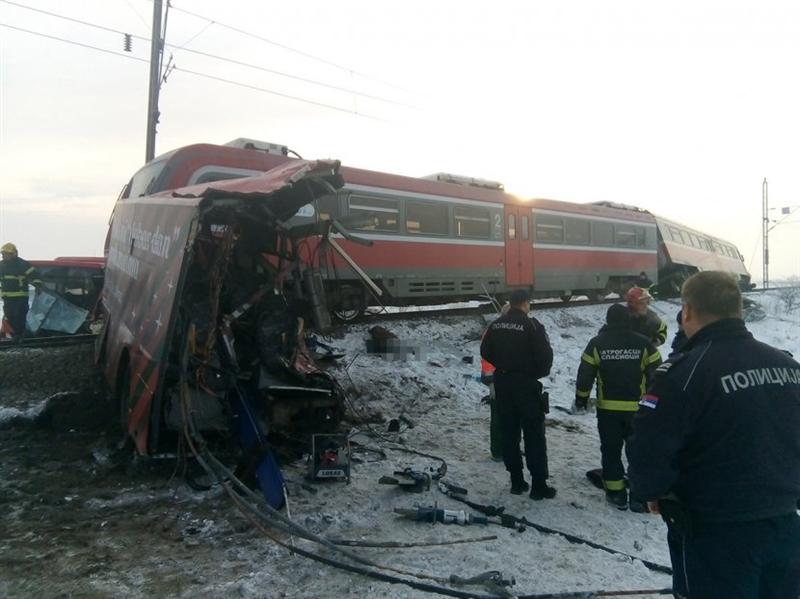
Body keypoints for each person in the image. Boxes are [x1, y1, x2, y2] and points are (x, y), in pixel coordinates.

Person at [627, 271, 800, 599]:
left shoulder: (684, 373)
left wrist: (652, 490)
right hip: (785, 525)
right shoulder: (788, 367)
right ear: (739, 308)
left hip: (716, 532)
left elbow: (648, 445)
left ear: (687, 311)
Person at [575, 304, 662, 511]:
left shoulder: (597, 343)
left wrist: (581, 399)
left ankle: (616, 494)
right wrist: (653, 405)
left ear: (608, 321)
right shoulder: (644, 344)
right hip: (638, 411)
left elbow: (585, 374)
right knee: (639, 453)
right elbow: (658, 377)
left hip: (608, 411)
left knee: (611, 450)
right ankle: (639, 498)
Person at [480, 288, 555, 499]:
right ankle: (539, 485)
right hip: (526, 386)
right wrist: (534, 373)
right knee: (534, 434)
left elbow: (485, 351)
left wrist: (503, 366)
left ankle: (516, 481)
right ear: (525, 304)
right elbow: (545, 356)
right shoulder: (532, 325)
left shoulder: (496, 324)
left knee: (509, 433)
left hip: (503, 384)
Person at [0, 242, 42, 341]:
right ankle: (10, 335)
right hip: (7, 296)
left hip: (21, 296)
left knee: (19, 315)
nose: (5, 256)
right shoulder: (1, 265)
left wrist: (38, 285)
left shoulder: (23, 264)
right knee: (9, 315)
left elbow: (35, 275)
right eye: (4, 254)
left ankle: (18, 335)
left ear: (14, 253)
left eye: (7, 254)